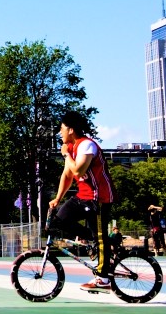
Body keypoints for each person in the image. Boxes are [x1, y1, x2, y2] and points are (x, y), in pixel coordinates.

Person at [47, 110, 115, 291]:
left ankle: (103, 279)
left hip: (98, 197)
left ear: (70, 129)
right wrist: (57, 198)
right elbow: (67, 175)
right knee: (59, 221)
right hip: (83, 196)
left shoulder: (86, 146)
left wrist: (66, 155)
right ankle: (94, 243)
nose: (59, 132)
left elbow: (78, 171)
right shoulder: (71, 148)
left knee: (100, 236)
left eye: (61, 129)